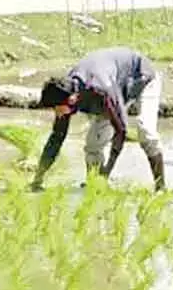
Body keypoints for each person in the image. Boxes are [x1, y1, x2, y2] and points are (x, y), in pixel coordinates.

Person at [32, 47, 165, 191]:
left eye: (56, 109)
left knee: (145, 129)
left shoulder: (101, 90)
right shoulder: (65, 91)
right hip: (112, 84)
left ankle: (161, 187)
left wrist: (107, 171)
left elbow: (121, 130)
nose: (56, 114)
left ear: (71, 100)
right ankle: (94, 184)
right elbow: (57, 138)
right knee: (93, 145)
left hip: (142, 76)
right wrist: (37, 179)